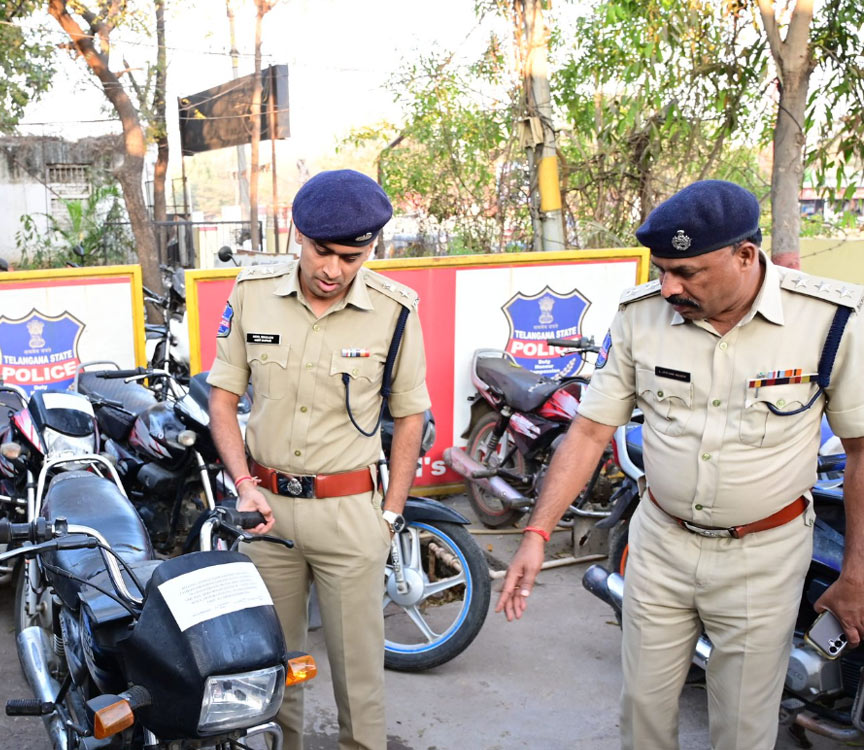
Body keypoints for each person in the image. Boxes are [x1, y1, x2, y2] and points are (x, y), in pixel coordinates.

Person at [495, 179, 864, 749]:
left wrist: (855, 573)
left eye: (686, 272)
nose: (668, 287)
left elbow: (861, 451)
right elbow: (591, 430)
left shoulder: (829, 320)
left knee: (743, 727)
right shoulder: (640, 317)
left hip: (764, 556)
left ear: (746, 256)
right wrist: (537, 533)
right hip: (660, 547)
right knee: (642, 713)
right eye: (661, 269)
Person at [206, 169, 430, 750]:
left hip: (351, 514)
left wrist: (391, 515)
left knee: (359, 680)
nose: (332, 270)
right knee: (272, 673)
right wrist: (242, 484)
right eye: (320, 251)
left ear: (371, 249)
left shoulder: (395, 311)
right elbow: (224, 398)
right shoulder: (251, 294)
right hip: (268, 511)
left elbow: (411, 416)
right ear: (296, 234)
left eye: (351, 257)